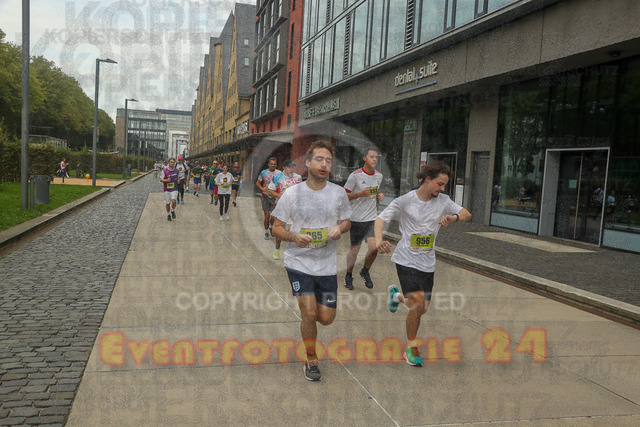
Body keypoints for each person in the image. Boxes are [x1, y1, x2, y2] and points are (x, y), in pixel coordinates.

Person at [374, 162, 471, 367]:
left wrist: (453, 217)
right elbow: (380, 220)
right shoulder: (405, 201)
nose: (442, 188)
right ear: (427, 179)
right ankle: (411, 347)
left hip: (427, 263)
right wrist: (378, 240)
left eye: (444, 185)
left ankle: (396, 297)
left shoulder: (443, 201)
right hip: (406, 259)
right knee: (417, 305)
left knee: (422, 308)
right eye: (440, 184)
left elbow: (466, 214)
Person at [271, 140, 351, 382]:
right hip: (299, 263)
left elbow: (347, 221)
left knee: (326, 318)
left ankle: (311, 326)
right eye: (319, 159)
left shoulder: (338, 193)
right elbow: (276, 228)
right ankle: (310, 357)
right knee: (308, 313)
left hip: (326, 265)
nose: (324, 164)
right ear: (307, 163)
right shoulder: (292, 194)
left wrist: (340, 228)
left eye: (328, 161)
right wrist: (294, 236)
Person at [343, 148, 385, 290]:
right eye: (371, 156)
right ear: (364, 158)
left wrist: (380, 195)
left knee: (374, 248)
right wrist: (360, 194)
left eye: (376, 157)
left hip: (372, 218)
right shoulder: (355, 176)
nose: (374, 159)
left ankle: (365, 271)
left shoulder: (379, 176)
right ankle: (349, 275)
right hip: (356, 219)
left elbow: (376, 190)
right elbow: (344, 195)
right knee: (355, 250)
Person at [267, 159, 302, 260]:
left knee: (292, 229)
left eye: (293, 167)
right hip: (281, 207)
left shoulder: (298, 177)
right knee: (280, 230)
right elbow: (270, 191)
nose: (291, 169)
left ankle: (291, 253)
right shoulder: (278, 177)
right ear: (284, 168)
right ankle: (277, 249)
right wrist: (280, 196)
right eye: (289, 167)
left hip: (294, 208)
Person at [256, 157, 282, 240]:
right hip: (265, 196)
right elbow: (258, 183)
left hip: (275, 198)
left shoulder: (279, 173)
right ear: (268, 164)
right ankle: (266, 232)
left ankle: (271, 226)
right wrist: (262, 189)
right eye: (271, 164)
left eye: (274, 164)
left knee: (273, 217)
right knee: (267, 216)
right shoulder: (263, 172)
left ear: (276, 165)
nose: (273, 165)